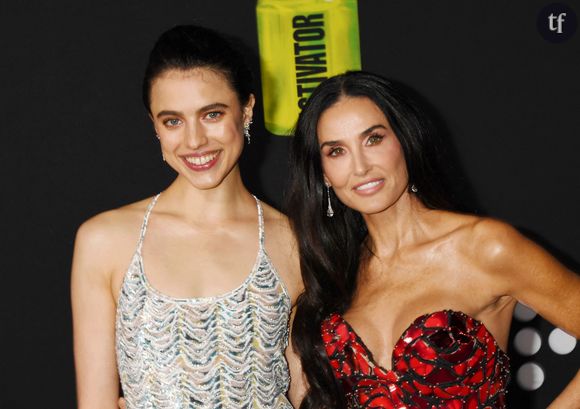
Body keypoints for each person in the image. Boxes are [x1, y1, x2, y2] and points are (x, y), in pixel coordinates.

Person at [286, 71, 580, 408]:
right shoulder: (333, 273)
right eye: (337, 151)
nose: (361, 167)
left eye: (373, 139)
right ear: (323, 173)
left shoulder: (485, 247)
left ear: (404, 140)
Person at [71, 25, 302, 409]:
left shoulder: (294, 241)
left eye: (212, 114)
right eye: (172, 121)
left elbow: (305, 390)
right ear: (154, 126)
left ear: (247, 109)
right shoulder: (105, 241)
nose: (194, 141)